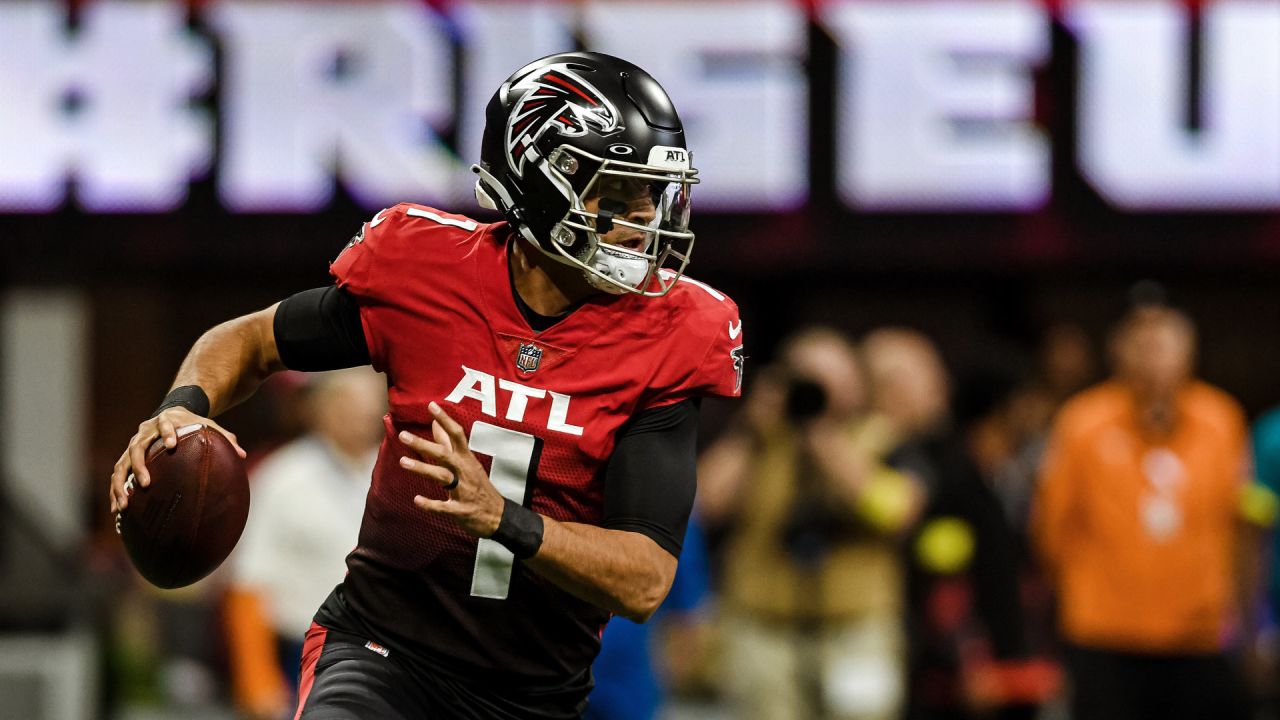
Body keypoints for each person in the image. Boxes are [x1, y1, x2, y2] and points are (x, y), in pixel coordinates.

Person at [109, 52, 743, 720]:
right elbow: (250, 340)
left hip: (533, 696)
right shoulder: (429, 272)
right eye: (618, 198)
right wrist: (181, 408)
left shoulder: (671, 334)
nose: (645, 224)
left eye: (654, 197)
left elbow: (644, 579)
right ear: (539, 182)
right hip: (383, 653)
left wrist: (504, 520)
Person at [1032, 304, 1262, 720]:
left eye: (1166, 342)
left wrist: (1244, 620)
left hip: (1198, 635)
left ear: (1190, 352)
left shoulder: (1221, 419)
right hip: (1103, 632)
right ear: (1117, 351)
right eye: (1141, 342)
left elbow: (1242, 524)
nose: (1153, 355)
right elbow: (1052, 528)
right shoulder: (1082, 421)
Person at [698, 327, 922, 720]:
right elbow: (703, 504)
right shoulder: (759, 440)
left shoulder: (881, 439)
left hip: (855, 632)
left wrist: (824, 440)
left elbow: (894, 512)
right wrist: (751, 430)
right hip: (764, 631)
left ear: (854, 384)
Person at [224, 368, 386, 719]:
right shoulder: (282, 478)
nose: (362, 413)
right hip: (301, 655)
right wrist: (256, 678)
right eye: (348, 402)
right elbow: (247, 582)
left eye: (370, 403)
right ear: (321, 407)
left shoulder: (397, 473)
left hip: (381, 656)